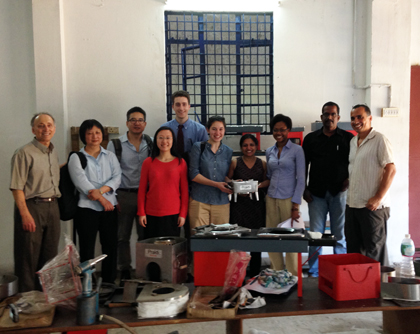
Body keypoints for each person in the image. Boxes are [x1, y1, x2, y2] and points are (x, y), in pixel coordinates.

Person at [302, 102, 354, 277]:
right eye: (326, 114)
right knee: (315, 235)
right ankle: (314, 272)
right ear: (322, 117)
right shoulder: (310, 139)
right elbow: (303, 166)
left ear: (338, 117)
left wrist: (349, 179)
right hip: (316, 195)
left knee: (339, 234)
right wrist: (304, 188)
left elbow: (355, 163)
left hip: (339, 193)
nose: (329, 117)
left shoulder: (348, 139)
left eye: (333, 114)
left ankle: (341, 271)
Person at [10, 113, 61, 292]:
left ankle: (45, 297)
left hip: (53, 206)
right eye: (41, 125)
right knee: (28, 255)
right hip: (32, 207)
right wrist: (25, 214)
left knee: (50, 254)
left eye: (49, 125)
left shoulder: (52, 151)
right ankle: (27, 299)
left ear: (54, 128)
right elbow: (17, 187)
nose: (45, 129)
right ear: (33, 129)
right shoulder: (23, 153)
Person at [69, 119, 121, 284]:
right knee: (87, 248)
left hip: (109, 209)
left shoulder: (110, 156)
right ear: (84, 136)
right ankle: (87, 284)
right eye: (89, 133)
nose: (94, 136)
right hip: (86, 209)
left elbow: (117, 177)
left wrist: (100, 193)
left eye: (97, 132)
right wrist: (102, 200)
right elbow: (81, 182)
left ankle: (109, 282)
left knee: (110, 247)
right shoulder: (76, 157)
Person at [345, 104, 396, 265]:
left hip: (372, 208)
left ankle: (377, 289)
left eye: (360, 117)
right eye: (353, 118)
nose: (356, 121)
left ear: (370, 118)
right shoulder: (353, 141)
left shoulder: (379, 139)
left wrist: (378, 197)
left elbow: (391, 168)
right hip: (352, 206)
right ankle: (357, 287)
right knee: (354, 251)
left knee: (374, 252)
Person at [107, 106, 152, 280]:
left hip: (146, 196)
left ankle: (144, 270)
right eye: (133, 120)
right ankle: (124, 270)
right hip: (123, 195)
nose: (136, 123)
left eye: (140, 120)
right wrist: (112, 197)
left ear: (145, 123)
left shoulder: (151, 142)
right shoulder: (115, 144)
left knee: (145, 236)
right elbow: (109, 171)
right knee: (122, 236)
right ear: (127, 123)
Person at [265, 114, 305, 276]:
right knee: (271, 238)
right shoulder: (269, 151)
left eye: (282, 129)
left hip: (289, 200)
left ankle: (293, 275)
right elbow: (269, 176)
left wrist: (296, 205)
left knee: (291, 239)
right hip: (271, 198)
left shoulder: (297, 150)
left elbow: (301, 179)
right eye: (275, 130)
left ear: (289, 130)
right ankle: (277, 272)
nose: (279, 133)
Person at [228, 134, 269, 277]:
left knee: (256, 240)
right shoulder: (235, 162)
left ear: (256, 146)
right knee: (239, 240)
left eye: (251, 145)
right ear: (241, 147)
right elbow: (227, 178)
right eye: (245, 145)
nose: (248, 148)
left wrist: (257, 186)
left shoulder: (262, 163)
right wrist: (235, 185)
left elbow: (267, 181)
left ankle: (255, 275)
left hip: (256, 206)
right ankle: (239, 275)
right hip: (239, 206)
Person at [137, 127, 189, 238]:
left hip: (173, 213)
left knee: (170, 251)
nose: (164, 141)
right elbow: (142, 190)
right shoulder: (148, 162)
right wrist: (141, 212)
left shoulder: (180, 162)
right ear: (156, 140)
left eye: (168, 138)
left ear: (173, 140)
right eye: (160, 138)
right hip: (151, 213)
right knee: (152, 251)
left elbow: (184, 191)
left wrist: (183, 214)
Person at [189, 116, 233, 227]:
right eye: (214, 129)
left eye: (221, 129)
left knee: (221, 240)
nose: (217, 132)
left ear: (224, 130)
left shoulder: (228, 151)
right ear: (207, 129)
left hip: (221, 202)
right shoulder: (198, 147)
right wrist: (216, 184)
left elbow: (225, 176)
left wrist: (233, 182)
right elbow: (193, 174)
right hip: (200, 200)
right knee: (199, 239)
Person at [161, 90, 208, 158]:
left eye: (184, 104)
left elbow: (204, 155)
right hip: (170, 166)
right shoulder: (164, 128)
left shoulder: (200, 130)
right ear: (173, 107)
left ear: (189, 106)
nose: (181, 108)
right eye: (177, 104)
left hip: (192, 167)